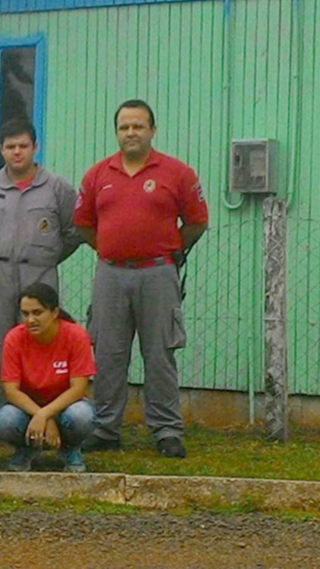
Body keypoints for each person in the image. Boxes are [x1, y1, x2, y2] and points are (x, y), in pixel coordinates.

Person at [73, 99, 208, 458]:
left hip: (158, 274)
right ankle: (105, 428)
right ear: (116, 132)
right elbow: (84, 224)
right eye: (124, 127)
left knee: (160, 353)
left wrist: (171, 251)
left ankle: (166, 430)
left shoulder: (177, 173)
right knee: (107, 353)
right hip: (111, 276)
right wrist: (111, 247)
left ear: (152, 130)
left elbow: (197, 221)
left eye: (138, 126)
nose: (130, 133)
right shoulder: (98, 175)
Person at [0, 120, 81, 385]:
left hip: (40, 275)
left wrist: (47, 257)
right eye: (10, 146)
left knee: (39, 342)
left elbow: (74, 233)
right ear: (1, 150)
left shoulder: (57, 187)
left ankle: (36, 414)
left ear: (35, 147)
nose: (17, 152)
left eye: (23, 146)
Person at [0, 283, 96, 473]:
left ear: (54, 312)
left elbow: (79, 388)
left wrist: (45, 414)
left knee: (82, 416)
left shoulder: (76, 335)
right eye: (25, 314)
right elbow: (11, 390)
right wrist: (41, 416)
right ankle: (26, 448)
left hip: (66, 408)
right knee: (5, 420)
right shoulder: (14, 338)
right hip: (27, 410)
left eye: (37, 312)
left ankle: (70, 448)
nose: (30, 320)